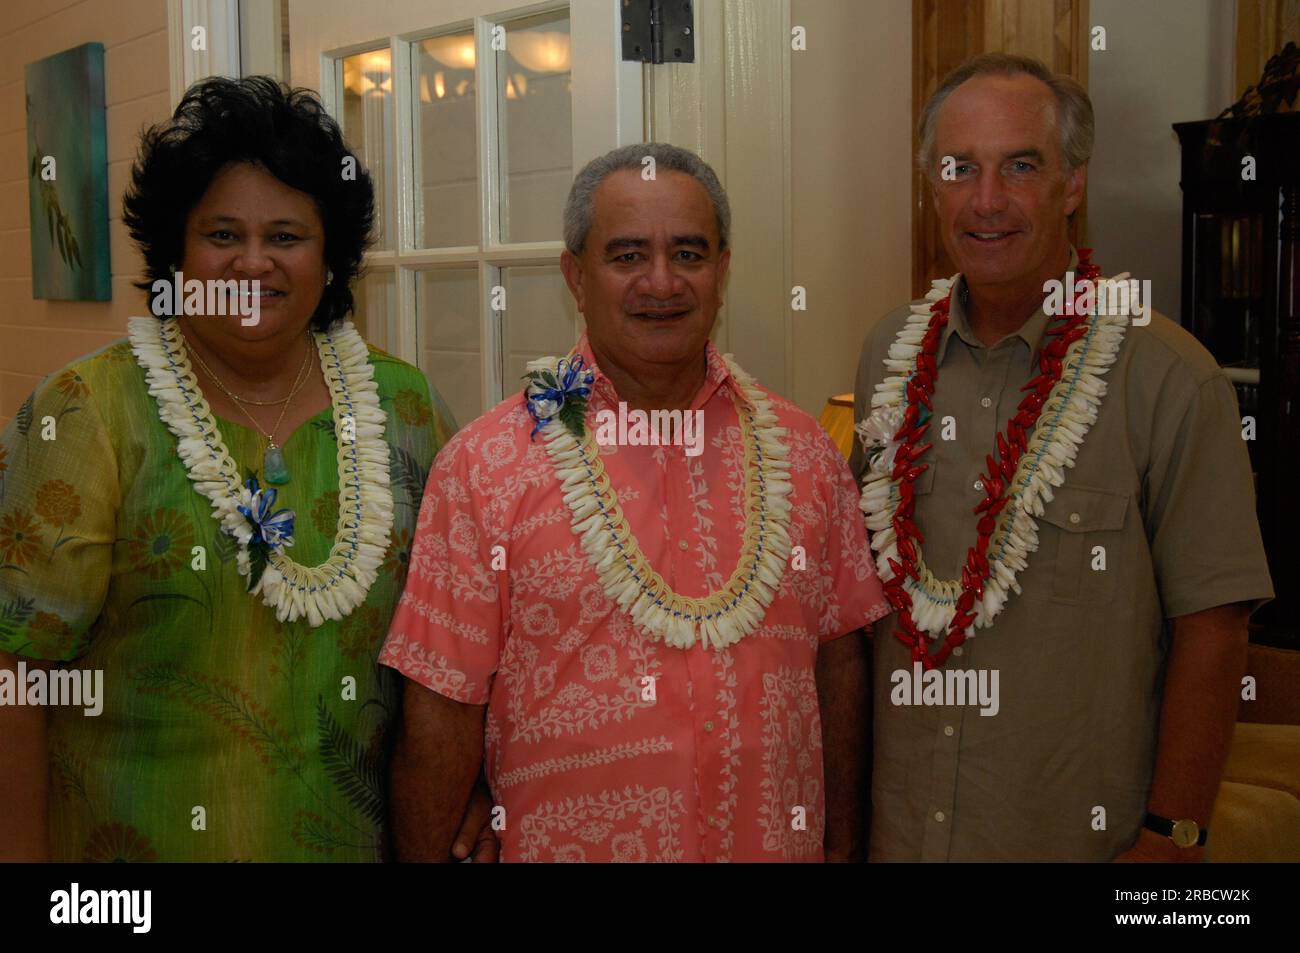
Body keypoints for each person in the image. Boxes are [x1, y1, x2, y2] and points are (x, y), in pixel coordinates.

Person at [0, 76, 480, 861]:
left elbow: (461, 645)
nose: (252, 263)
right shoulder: (90, 409)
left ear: (331, 257)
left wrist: (477, 783)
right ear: (175, 250)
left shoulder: (406, 407)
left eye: (286, 236)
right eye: (222, 234)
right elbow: (14, 679)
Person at [381, 142, 889, 862]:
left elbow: (839, 665)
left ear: (723, 270)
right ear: (575, 276)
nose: (662, 282)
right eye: (626, 256)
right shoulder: (484, 467)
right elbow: (439, 706)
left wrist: (842, 851)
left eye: (688, 253)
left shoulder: (804, 455)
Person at [850, 53, 1274, 862]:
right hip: (903, 831)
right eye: (958, 169)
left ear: (1073, 183)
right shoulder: (887, 356)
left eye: (1020, 166)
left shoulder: (1170, 377)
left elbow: (1214, 626)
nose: (986, 201)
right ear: (931, 187)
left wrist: (1174, 835)